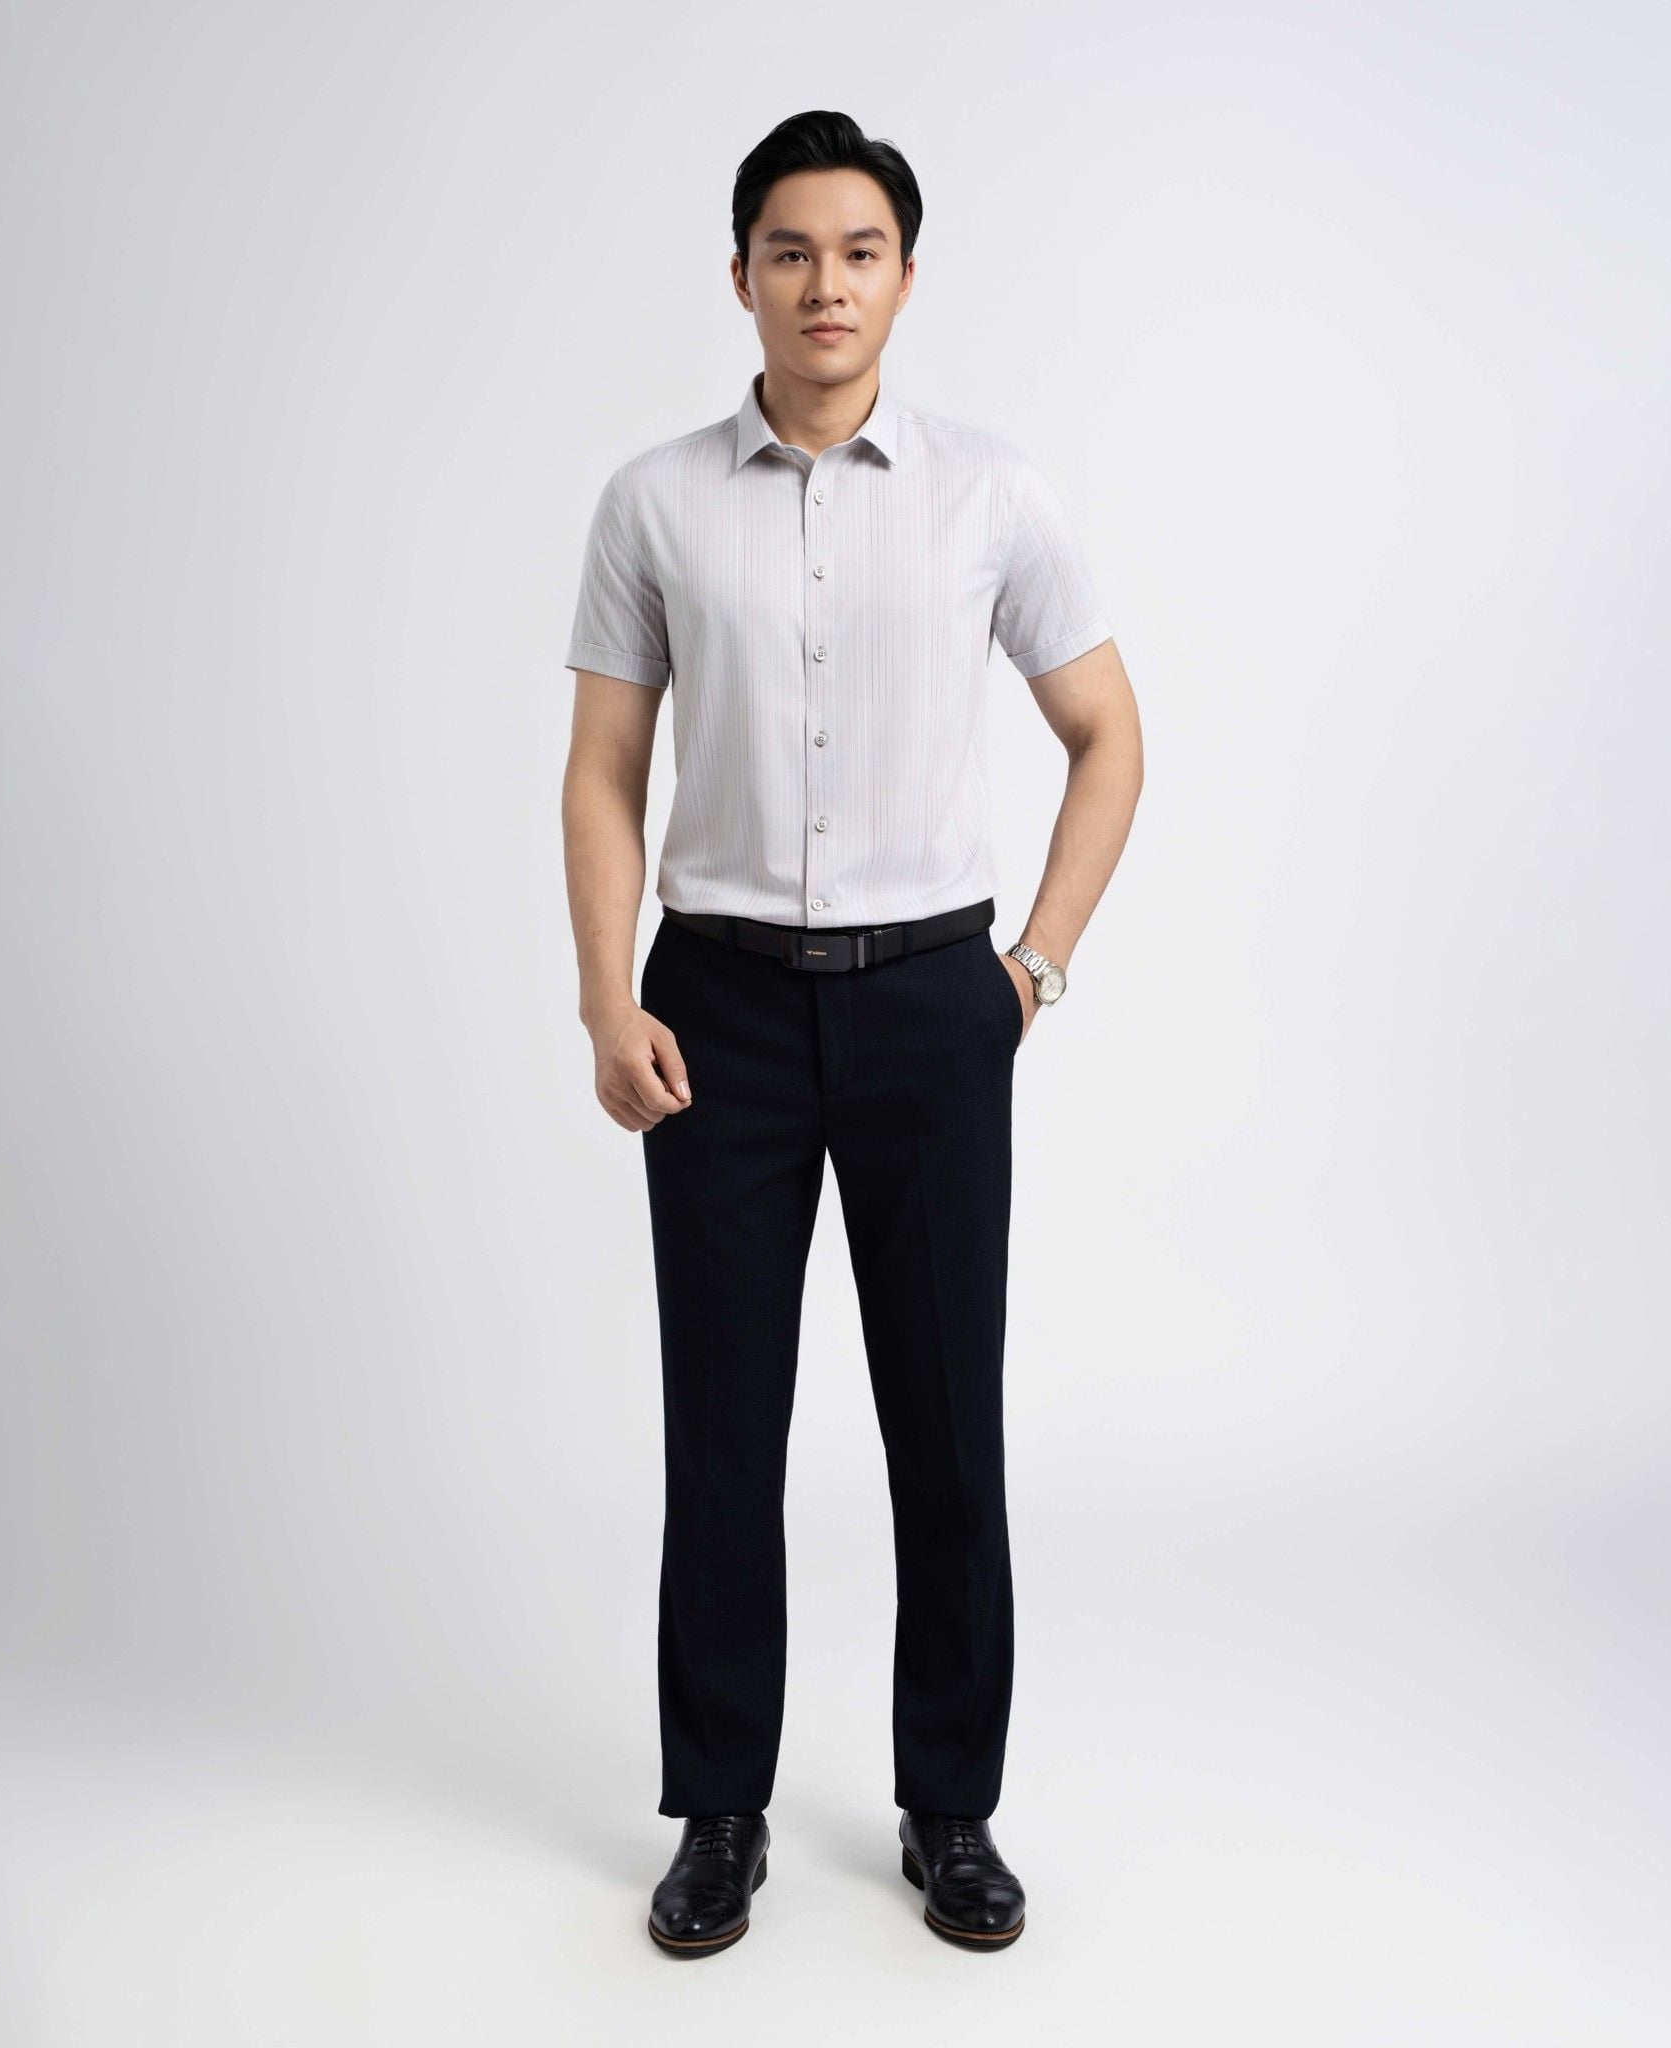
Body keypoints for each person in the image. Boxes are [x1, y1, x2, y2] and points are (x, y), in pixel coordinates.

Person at [560, 108, 1143, 1956]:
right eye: (792, 251)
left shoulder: (994, 495)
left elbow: (1109, 735)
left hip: (931, 1008)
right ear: (740, 274)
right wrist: (606, 995)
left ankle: (950, 1808)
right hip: (715, 1009)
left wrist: (1030, 973)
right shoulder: (654, 502)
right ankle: (718, 1809)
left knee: (945, 1428)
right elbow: (602, 771)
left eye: (860, 251)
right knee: (723, 1430)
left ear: (905, 275)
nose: (827, 282)